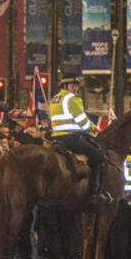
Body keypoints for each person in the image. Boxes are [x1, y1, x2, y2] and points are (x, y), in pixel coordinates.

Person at [49, 74, 111, 205]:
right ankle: (95, 193)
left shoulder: (55, 99)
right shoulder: (71, 98)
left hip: (56, 137)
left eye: (77, 85)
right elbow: (82, 121)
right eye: (73, 85)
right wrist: (95, 129)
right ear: (65, 86)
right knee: (99, 158)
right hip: (71, 138)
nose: (75, 88)